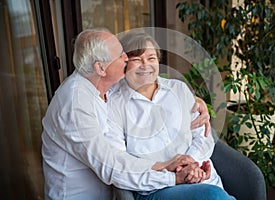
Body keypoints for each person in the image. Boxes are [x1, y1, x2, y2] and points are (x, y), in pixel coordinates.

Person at [41, 28, 212, 200]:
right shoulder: (75, 105)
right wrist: (172, 176)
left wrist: (195, 100)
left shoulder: (100, 86)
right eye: (122, 55)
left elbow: (150, 85)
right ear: (100, 68)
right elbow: (112, 166)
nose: (126, 58)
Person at [106, 31, 236, 199]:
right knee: (214, 196)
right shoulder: (113, 104)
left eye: (151, 58)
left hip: (201, 177)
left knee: (216, 194)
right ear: (124, 63)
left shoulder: (179, 89)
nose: (146, 65)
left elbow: (203, 136)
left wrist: (191, 163)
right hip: (157, 187)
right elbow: (121, 163)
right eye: (137, 60)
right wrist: (174, 174)